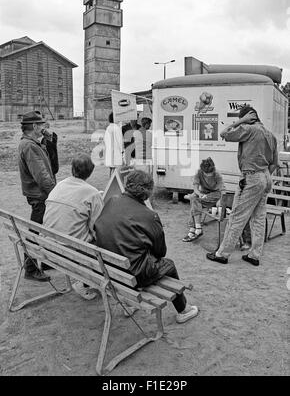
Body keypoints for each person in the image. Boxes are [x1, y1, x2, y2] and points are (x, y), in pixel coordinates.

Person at [93, 169, 199, 323]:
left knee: (137, 257)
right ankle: (183, 309)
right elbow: (161, 252)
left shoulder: (111, 201)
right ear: (147, 191)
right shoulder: (149, 216)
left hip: (108, 266)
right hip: (133, 273)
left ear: (127, 185)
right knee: (168, 265)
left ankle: (129, 303)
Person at [206, 105, 278, 266]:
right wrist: (263, 177)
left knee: (237, 216)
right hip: (265, 176)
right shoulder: (270, 135)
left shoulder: (249, 129)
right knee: (258, 218)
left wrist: (239, 122)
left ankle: (222, 254)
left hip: (251, 177)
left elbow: (224, 134)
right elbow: (274, 164)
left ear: (248, 117)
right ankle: (254, 255)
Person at [43, 154, 104, 299]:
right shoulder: (92, 193)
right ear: (90, 172)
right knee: (102, 242)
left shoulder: (60, 185)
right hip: (70, 249)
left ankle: (85, 281)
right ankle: (85, 283)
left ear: (72, 169)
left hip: (47, 244)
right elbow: (97, 227)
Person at [18, 111, 56, 281]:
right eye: (41, 125)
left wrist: (49, 142)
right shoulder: (30, 146)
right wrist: (56, 194)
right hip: (39, 195)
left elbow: (51, 166)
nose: (43, 127)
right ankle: (31, 268)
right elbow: (42, 176)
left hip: (38, 194)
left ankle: (46, 261)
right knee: (35, 231)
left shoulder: (31, 143)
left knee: (44, 228)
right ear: (34, 126)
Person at [183, 158, 225, 242]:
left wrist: (220, 201)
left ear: (213, 170)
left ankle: (193, 228)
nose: (208, 175)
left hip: (214, 194)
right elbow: (195, 187)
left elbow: (221, 191)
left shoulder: (217, 175)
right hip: (203, 193)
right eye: (206, 174)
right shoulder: (199, 172)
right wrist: (199, 194)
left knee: (194, 200)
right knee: (194, 198)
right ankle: (197, 228)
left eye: (210, 173)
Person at [104, 112, 123, 176]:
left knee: (111, 168)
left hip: (109, 151)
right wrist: (122, 151)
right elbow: (120, 141)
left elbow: (105, 140)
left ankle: (111, 180)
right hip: (116, 152)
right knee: (117, 169)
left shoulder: (108, 128)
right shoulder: (117, 128)